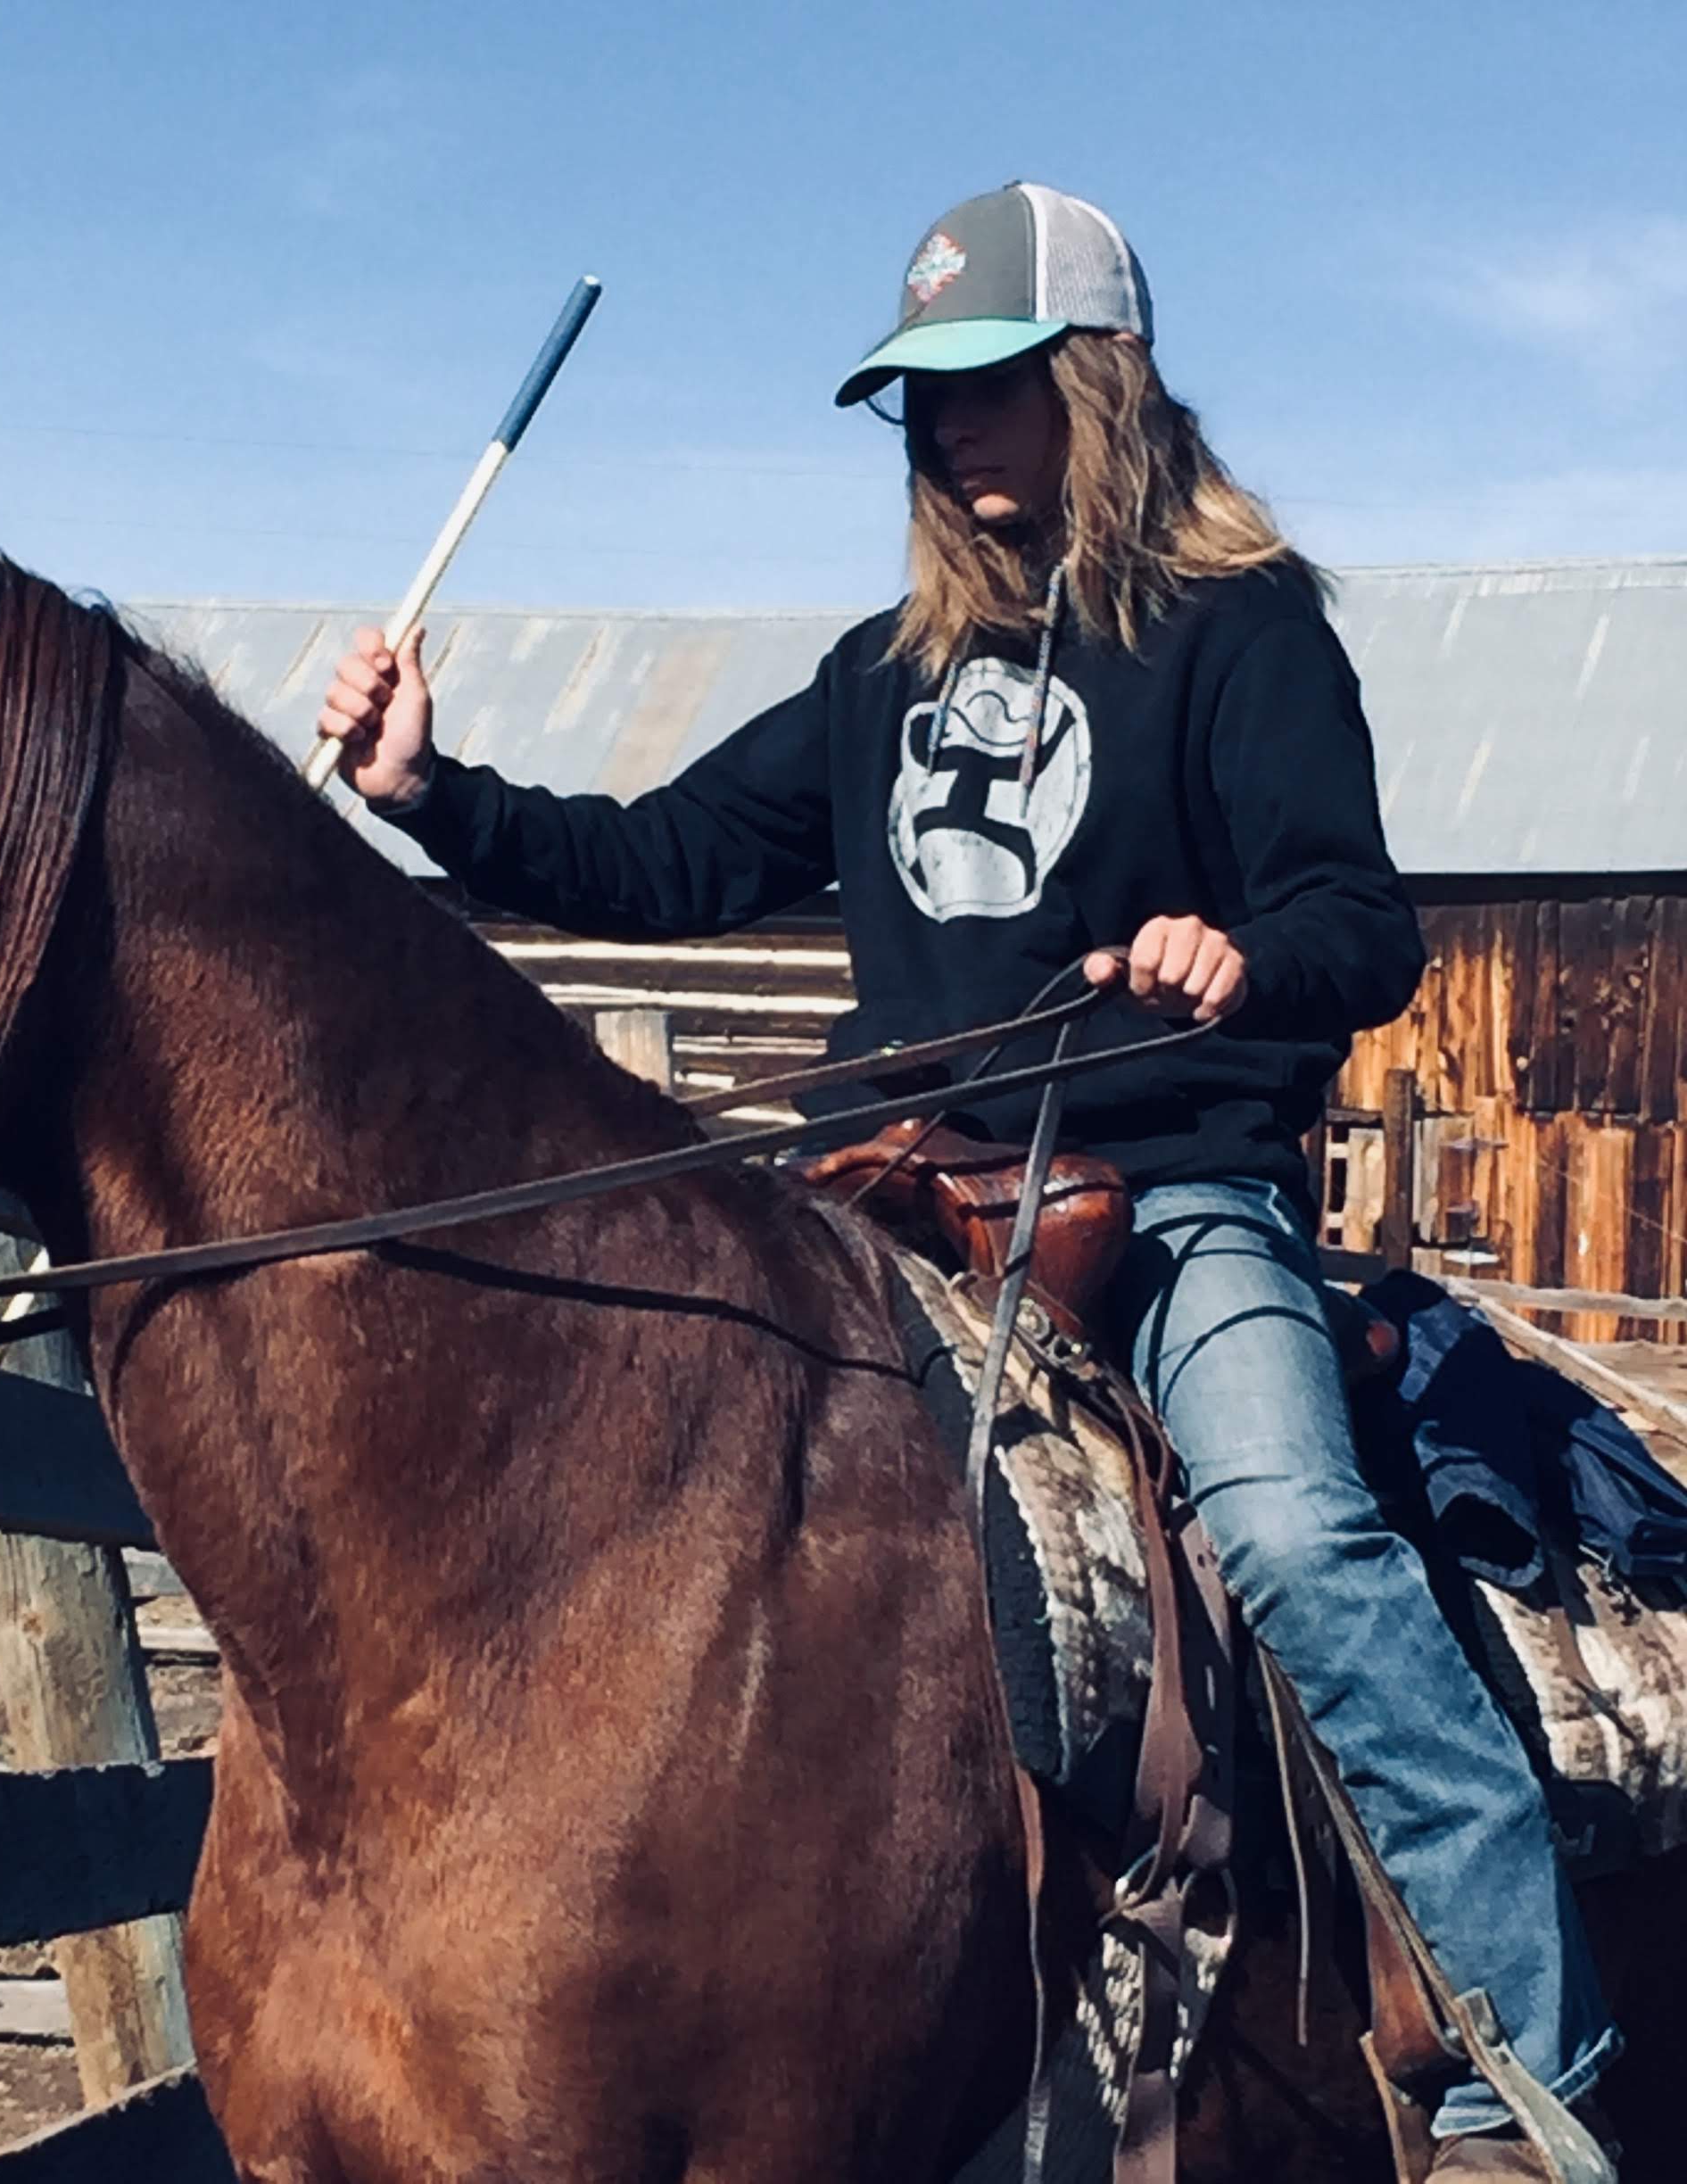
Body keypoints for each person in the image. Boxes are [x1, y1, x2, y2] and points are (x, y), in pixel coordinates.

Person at [313, 182, 1617, 2178]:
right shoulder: (874, 677)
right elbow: (659, 862)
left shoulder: (1239, 635)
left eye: (981, 385)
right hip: (892, 1186)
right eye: (912, 396)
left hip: (1166, 1190)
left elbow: (1362, 923)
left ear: (1096, 382)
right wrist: (429, 789)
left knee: (1294, 1541)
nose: (939, 427)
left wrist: (1239, 957)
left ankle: (1535, 2069)